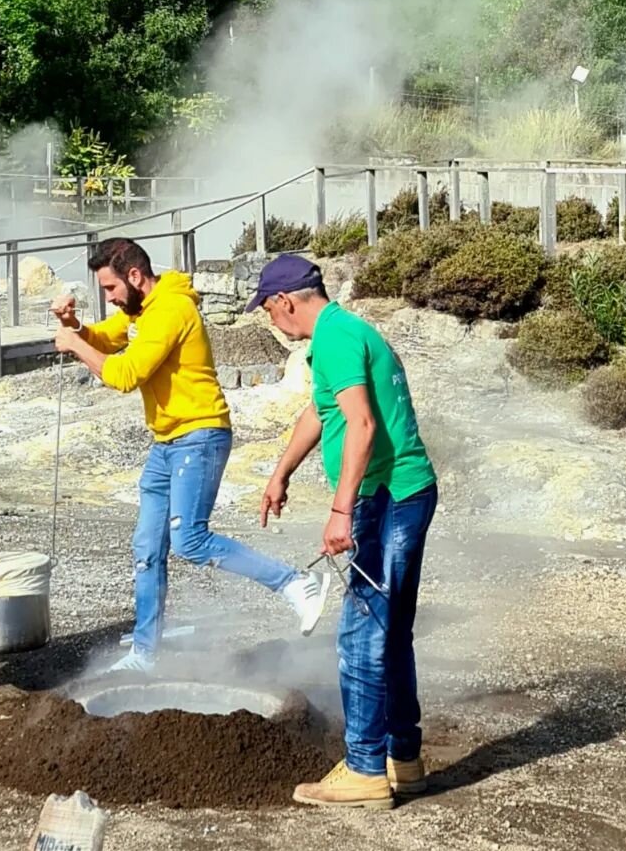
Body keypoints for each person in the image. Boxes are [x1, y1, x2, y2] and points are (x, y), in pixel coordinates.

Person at [52, 237, 328, 672]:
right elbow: (109, 338)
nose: (108, 297)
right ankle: (144, 654)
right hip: (166, 443)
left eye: (109, 288)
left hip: (199, 437)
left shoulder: (171, 310)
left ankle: (295, 583)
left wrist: (72, 344)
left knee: (191, 540)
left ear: (135, 276)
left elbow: (124, 374)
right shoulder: (143, 309)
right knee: (147, 547)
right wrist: (80, 329)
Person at [252, 254, 438, 810]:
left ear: (285, 301)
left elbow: (361, 424)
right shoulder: (342, 333)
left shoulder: (334, 338)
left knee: (362, 630)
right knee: (391, 629)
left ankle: (363, 770)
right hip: (403, 491)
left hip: (389, 495)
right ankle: (402, 759)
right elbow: (322, 410)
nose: (270, 321)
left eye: (267, 310)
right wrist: (281, 472)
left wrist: (341, 511)